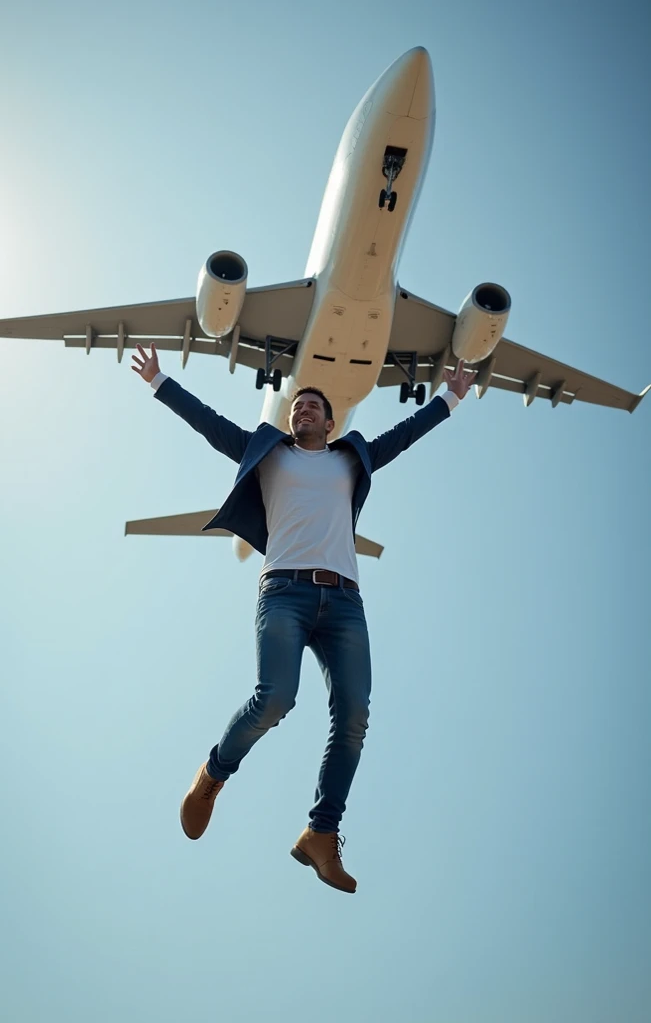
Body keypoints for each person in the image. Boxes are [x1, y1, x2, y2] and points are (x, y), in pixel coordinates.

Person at [132, 342, 476, 893]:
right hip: (285, 593)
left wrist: (449, 399)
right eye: (297, 405)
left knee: (355, 717)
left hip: (344, 601)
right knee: (275, 698)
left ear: (331, 420)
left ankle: (320, 834)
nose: (303, 408)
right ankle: (213, 775)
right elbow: (210, 424)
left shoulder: (351, 457)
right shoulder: (266, 453)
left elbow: (403, 436)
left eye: (313, 405)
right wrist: (159, 382)